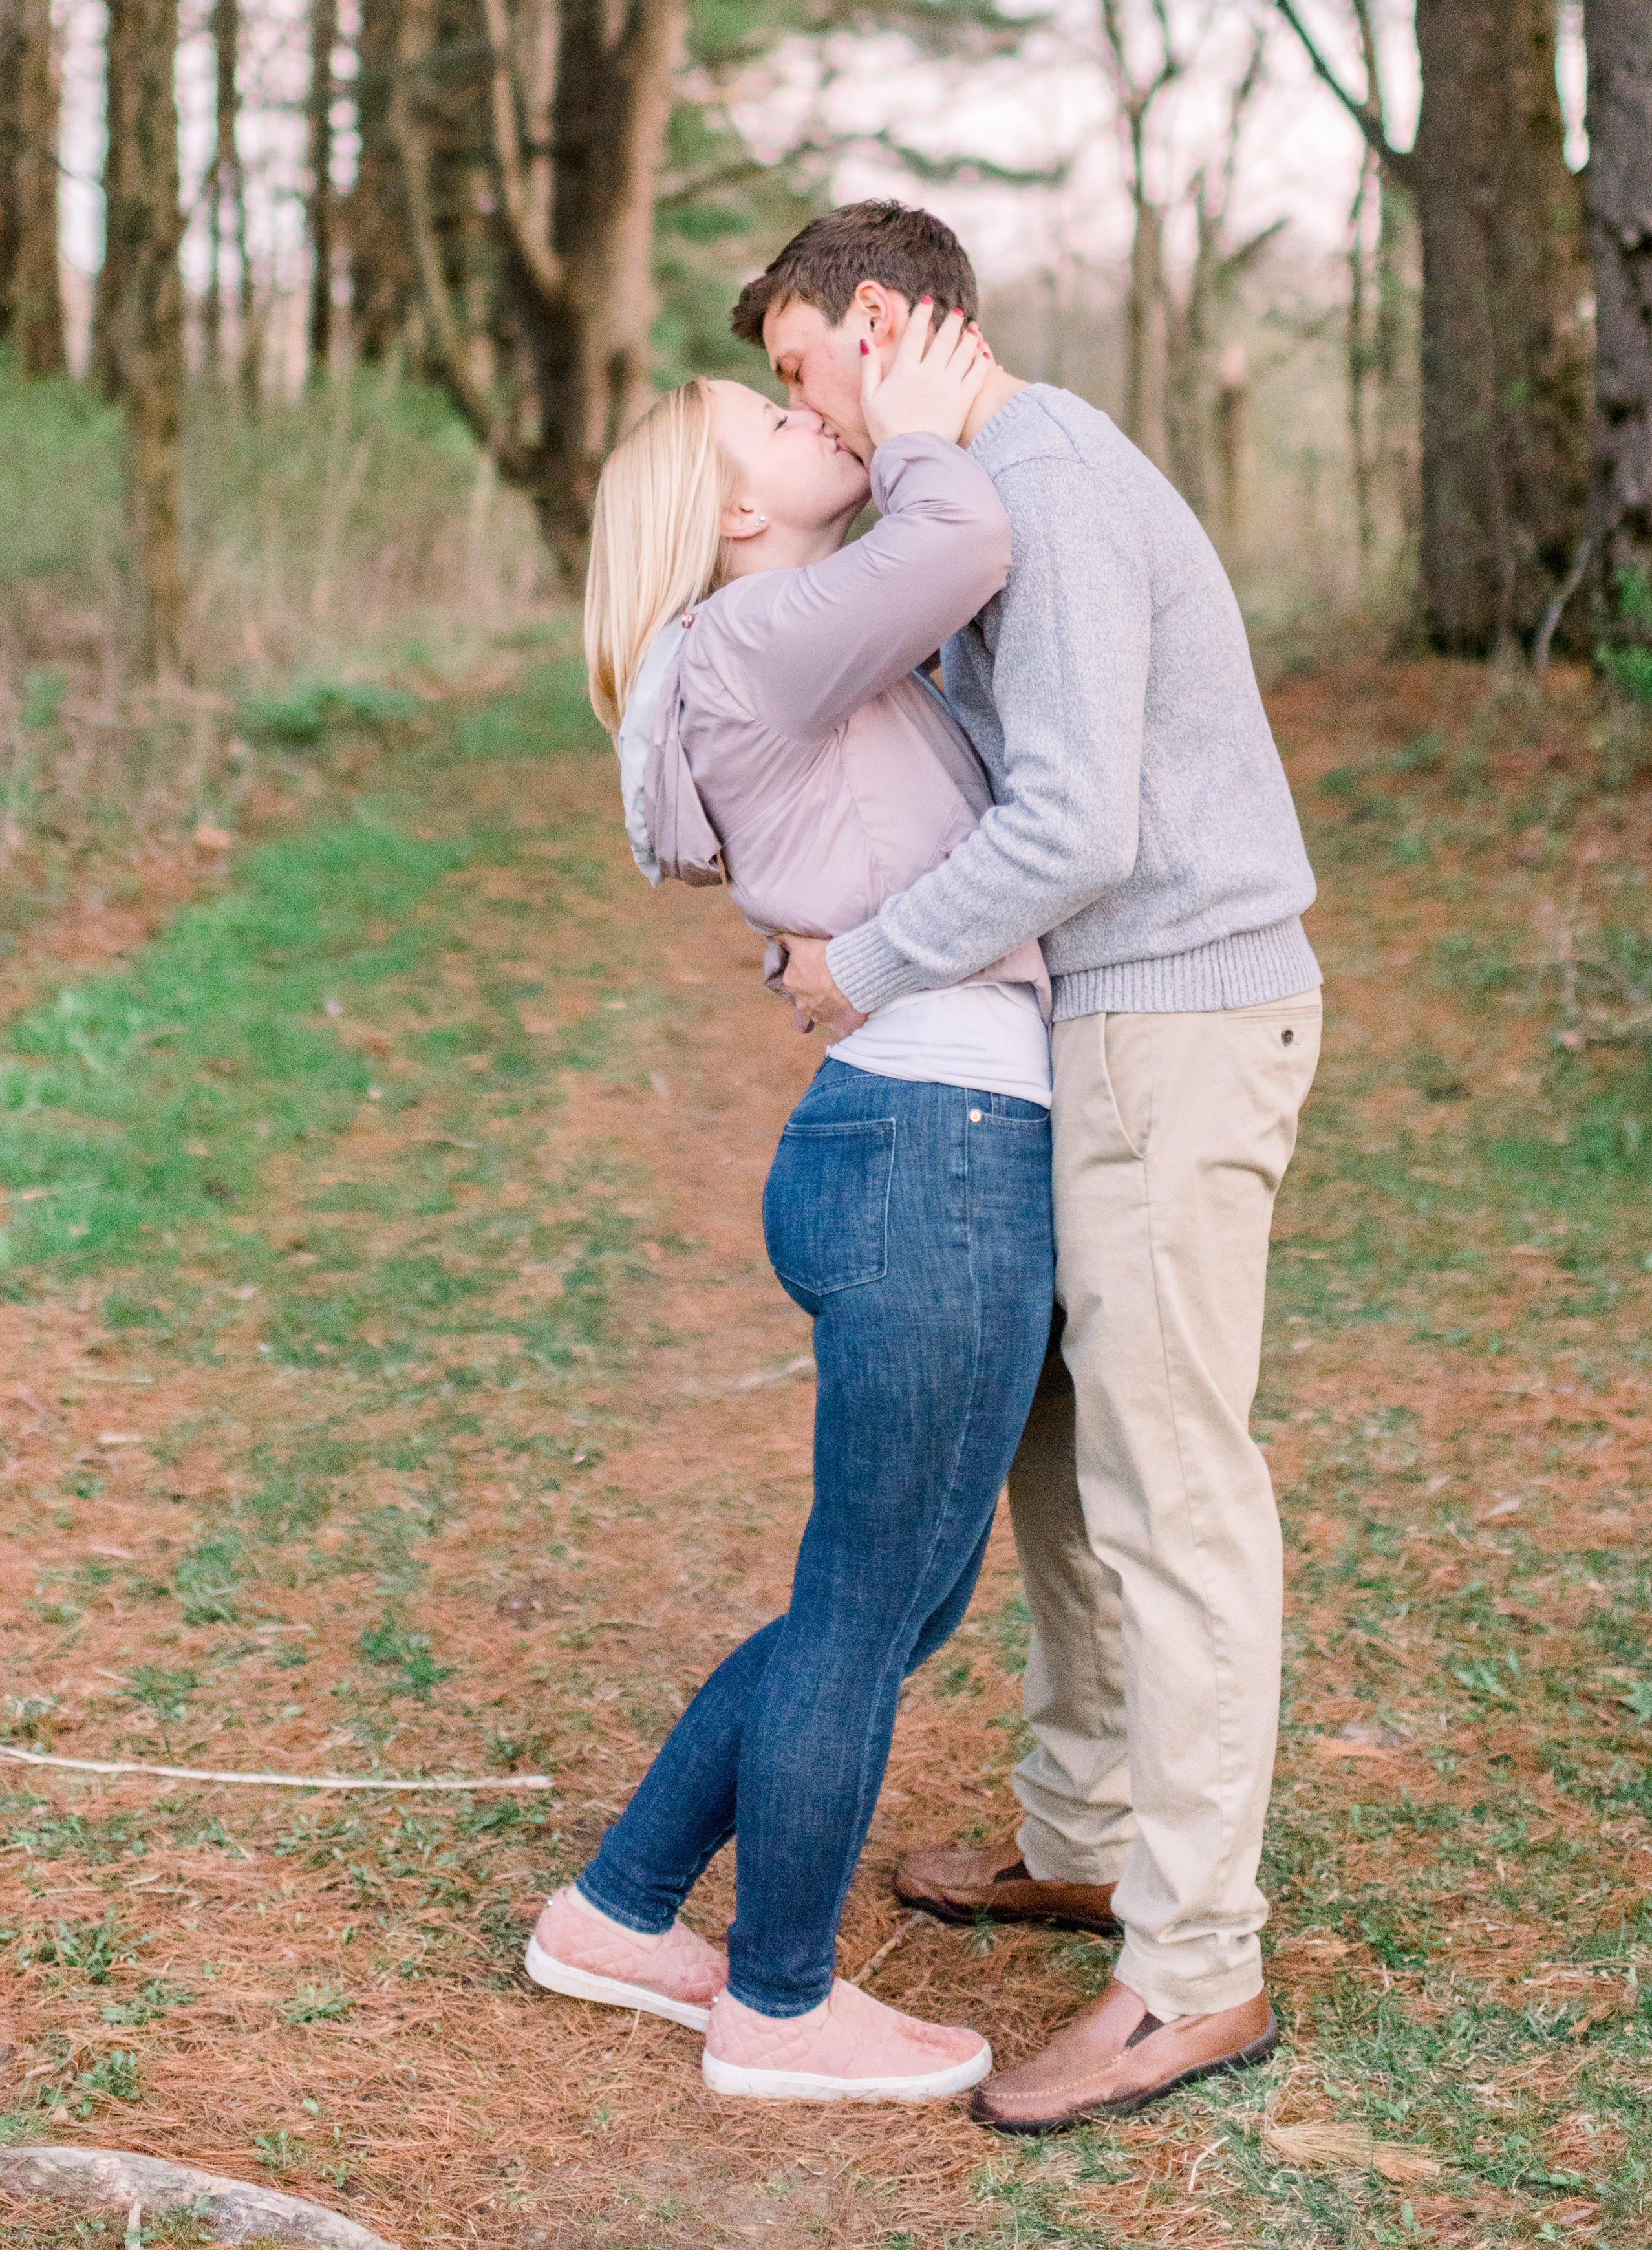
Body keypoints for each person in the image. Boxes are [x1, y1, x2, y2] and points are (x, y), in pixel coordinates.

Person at [747, 201, 1321, 2136]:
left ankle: (1193, 1971)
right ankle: (1083, 1839)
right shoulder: (984, 499)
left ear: (887, 322)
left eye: (800, 368)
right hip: (1095, 1035)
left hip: (1175, 1022)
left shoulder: (1049, 473)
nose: (800, 414)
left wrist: (865, 960)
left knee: (1171, 1491)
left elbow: (1075, 818)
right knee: (1063, 1473)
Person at [528, 308, 1056, 2107]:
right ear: (728, 508)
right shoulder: (753, 633)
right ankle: (773, 2001)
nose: (805, 409)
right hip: (932, 1145)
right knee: (866, 1607)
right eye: (770, 409)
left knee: (894, 1603)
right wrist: (914, 420)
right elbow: (970, 535)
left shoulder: (766, 650)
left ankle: (620, 1908)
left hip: (906, 1138)